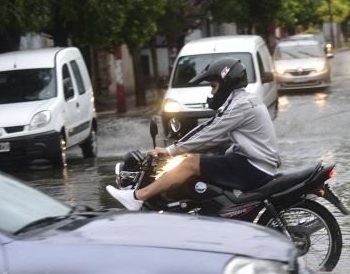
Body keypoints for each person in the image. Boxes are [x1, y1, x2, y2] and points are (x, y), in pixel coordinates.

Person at [106, 57, 280, 211]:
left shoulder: (240, 105)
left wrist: (169, 151)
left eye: (214, 86)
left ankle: (137, 197)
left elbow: (209, 129)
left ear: (226, 82)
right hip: (254, 164)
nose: (212, 92)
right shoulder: (244, 101)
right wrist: (188, 149)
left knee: (188, 165)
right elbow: (218, 136)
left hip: (254, 167)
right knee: (197, 161)